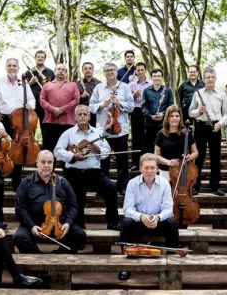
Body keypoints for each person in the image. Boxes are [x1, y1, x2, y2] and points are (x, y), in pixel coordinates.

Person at [54, 106, 120, 230]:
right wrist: (73, 156)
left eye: (85, 114)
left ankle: (113, 223)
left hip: (93, 172)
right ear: (75, 117)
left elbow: (107, 150)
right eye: (80, 114)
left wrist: (97, 148)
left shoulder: (98, 133)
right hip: (74, 173)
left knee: (111, 188)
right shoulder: (68, 133)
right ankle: (79, 229)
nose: (82, 116)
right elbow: (57, 151)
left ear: (89, 117)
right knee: (76, 200)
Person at [118, 153, 179, 281]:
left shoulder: (164, 184)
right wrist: (141, 217)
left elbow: (168, 209)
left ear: (157, 169)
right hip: (139, 223)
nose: (149, 171)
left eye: (152, 168)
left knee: (172, 223)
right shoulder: (132, 184)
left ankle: (171, 264)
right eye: (146, 168)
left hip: (158, 223)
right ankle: (126, 266)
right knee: (126, 223)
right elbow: (127, 209)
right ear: (140, 169)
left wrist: (158, 218)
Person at [13, 150, 86, 254]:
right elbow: (20, 208)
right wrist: (31, 225)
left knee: (80, 235)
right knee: (19, 237)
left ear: (53, 164)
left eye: (50, 162)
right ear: (36, 163)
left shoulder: (62, 182)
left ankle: (59, 255)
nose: (46, 165)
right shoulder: (26, 183)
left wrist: (68, 223)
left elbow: (73, 205)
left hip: (60, 223)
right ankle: (39, 258)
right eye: (43, 162)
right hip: (35, 223)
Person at [0, 58, 36, 192]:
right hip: (3, 119)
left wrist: (30, 105)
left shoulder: (24, 83)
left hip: (19, 122)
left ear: (18, 68)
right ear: (5, 67)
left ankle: (17, 181)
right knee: (1, 148)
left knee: (17, 149)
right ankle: (0, 178)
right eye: (9, 65)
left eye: (14, 65)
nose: (12, 67)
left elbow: (32, 100)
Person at [90, 62, 134, 193]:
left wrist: (119, 103)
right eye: (107, 70)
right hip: (103, 131)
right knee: (103, 160)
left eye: (112, 70)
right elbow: (91, 107)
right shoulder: (99, 88)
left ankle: (122, 186)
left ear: (116, 72)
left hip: (121, 130)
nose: (110, 72)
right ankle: (103, 187)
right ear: (104, 73)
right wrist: (101, 105)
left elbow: (131, 106)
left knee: (123, 161)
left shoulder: (125, 87)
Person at [189, 67, 227, 196]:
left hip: (215, 127)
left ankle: (215, 186)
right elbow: (190, 112)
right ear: (204, 79)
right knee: (198, 157)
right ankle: (195, 186)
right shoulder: (198, 93)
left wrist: (221, 123)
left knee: (215, 157)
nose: (210, 79)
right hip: (200, 127)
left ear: (215, 78)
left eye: (212, 77)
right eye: (208, 77)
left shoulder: (221, 94)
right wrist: (198, 111)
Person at [40, 63, 80, 152]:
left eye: (63, 70)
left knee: (68, 150)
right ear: (54, 72)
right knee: (49, 149)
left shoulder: (73, 85)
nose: (61, 71)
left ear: (66, 73)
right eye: (58, 69)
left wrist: (62, 110)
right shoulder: (47, 85)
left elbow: (76, 100)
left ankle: (67, 167)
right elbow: (42, 100)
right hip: (50, 122)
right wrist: (52, 109)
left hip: (68, 122)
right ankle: (49, 166)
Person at [154, 106, 198, 182]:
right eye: (171, 116)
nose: (174, 118)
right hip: (165, 172)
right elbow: (156, 155)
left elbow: (195, 152)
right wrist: (168, 162)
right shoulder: (161, 134)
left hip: (183, 171)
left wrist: (190, 157)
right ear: (167, 118)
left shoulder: (187, 133)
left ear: (180, 118)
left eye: (177, 116)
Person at [141, 68, 174, 156]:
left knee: (164, 146)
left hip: (163, 124)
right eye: (154, 76)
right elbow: (144, 107)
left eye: (159, 76)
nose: (157, 78)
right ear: (151, 77)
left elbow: (171, 106)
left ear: (162, 78)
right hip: (150, 124)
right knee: (149, 147)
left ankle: (163, 167)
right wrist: (151, 116)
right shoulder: (146, 91)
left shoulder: (168, 91)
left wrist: (163, 114)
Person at [128, 62, 152, 170]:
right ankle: (135, 162)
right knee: (136, 137)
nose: (140, 72)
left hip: (147, 111)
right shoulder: (132, 84)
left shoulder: (151, 84)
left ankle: (146, 162)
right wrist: (134, 95)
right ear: (136, 72)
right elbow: (127, 101)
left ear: (145, 70)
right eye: (138, 70)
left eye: (142, 70)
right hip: (136, 111)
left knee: (147, 137)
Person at [23, 50, 55, 127]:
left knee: (45, 126)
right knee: (31, 126)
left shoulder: (50, 72)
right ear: (35, 58)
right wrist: (30, 83)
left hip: (46, 103)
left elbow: (55, 87)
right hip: (31, 104)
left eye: (42, 57)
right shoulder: (28, 72)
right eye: (38, 57)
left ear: (45, 59)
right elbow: (22, 88)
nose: (40, 58)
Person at [78, 62, 100, 126]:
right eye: (85, 69)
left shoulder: (99, 83)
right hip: (82, 112)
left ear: (93, 70)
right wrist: (81, 96)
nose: (88, 70)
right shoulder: (77, 84)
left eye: (90, 68)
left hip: (95, 112)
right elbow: (74, 99)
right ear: (82, 71)